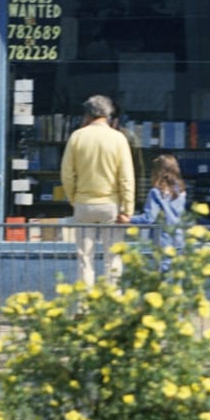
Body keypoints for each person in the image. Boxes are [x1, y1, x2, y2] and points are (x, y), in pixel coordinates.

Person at [60, 94, 135, 285]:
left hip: (84, 203)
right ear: (108, 114)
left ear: (87, 114)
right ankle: (112, 304)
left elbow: (67, 174)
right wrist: (128, 210)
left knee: (85, 259)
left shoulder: (77, 137)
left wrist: (73, 198)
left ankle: (84, 307)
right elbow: (126, 177)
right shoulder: (118, 138)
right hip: (111, 204)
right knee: (113, 259)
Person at [141, 153, 188, 242]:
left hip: (162, 241)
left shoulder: (156, 192)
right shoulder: (181, 192)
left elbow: (149, 218)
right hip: (178, 239)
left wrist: (129, 219)